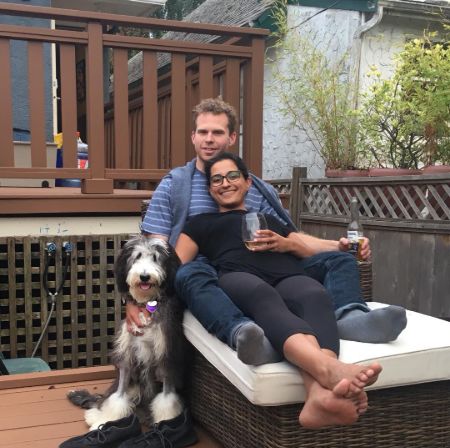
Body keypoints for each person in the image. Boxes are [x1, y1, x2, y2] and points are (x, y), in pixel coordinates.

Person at [132, 97, 406, 365]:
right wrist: (140, 302)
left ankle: (348, 318)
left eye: (217, 132)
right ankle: (241, 330)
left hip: (271, 263)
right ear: (193, 137)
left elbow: (291, 238)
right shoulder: (174, 186)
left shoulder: (259, 190)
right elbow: (156, 254)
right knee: (189, 272)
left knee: (339, 259)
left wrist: (339, 245)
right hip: (211, 268)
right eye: (203, 132)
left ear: (232, 138)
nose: (209, 139)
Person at [175, 152, 382, 428]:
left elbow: (304, 246)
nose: (225, 183)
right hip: (238, 276)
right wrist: (147, 304)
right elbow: (175, 264)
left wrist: (333, 245)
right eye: (217, 179)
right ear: (211, 189)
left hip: (285, 272)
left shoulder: (268, 219)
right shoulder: (200, 223)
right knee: (263, 295)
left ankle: (318, 396)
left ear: (247, 182)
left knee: (314, 294)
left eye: (232, 176)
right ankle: (329, 370)